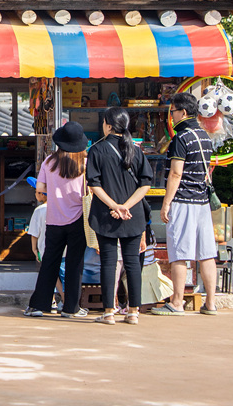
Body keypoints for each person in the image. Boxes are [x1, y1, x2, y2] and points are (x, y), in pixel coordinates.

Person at [154, 92, 219, 315]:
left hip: (183, 201)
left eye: (172, 112)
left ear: (182, 112)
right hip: (202, 203)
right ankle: (210, 303)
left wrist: (166, 203)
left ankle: (177, 301)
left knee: (179, 253)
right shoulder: (204, 136)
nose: (171, 116)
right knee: (207, 254)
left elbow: (175, 173)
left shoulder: (181, 138)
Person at [86, 107, 153, 325]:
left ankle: (108, 312)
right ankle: (133, 311)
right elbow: (146, 184)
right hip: (133, 215)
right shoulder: (135, 150)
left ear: (107, 124)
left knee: (108, 262)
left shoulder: (97, 150)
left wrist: (115, 206)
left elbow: (93, 184)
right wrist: (127, 206)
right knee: (132, 262)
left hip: (106, 214)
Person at [24, 121, 89, 318]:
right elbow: (90, 189)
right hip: (78, 219)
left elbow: (40, 190)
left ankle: (38, 305)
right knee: (74, 263)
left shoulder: (49, 162)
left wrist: (54, 191)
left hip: (53, 219)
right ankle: (71, 308)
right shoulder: (85, 163)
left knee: (50, 262)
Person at [25, 177, 65, 311]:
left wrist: (34, 250)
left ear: (42, 193)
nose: (35, 195)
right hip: (64, 250)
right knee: (62, 276)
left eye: (37, 192)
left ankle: (60, 300)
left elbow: (34, 233)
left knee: (49, 275)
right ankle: (59, 301)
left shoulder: (40, 210)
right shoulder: (62, 208)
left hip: (44, 250)